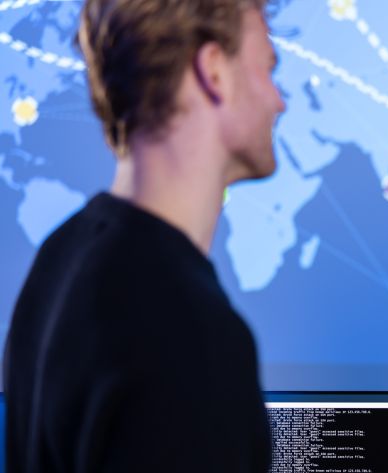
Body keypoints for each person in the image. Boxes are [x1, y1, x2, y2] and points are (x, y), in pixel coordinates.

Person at [3, 0, 285, 471]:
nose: (278, 99)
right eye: (267, 68)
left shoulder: (60, 259)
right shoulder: (187, 335)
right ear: (214, 72)